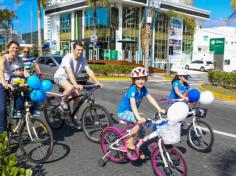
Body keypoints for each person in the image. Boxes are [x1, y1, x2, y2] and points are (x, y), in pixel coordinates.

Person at [117, 67, 165, 159]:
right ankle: (129, 143)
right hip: (123, 112)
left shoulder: (143, 89)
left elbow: (150, 98)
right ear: (134, 80)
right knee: (140, 122)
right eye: (138, 79)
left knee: (142, 132)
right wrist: (138, 117)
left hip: (132, 113)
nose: (140, 81)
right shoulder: (132, 90)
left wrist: (159, 109)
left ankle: (135, 147)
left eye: (143, 78)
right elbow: (133, 104)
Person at [54, 41, 103, 113]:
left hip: (70, 80)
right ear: (73, 50)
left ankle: (74, 118)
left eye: (82, 50)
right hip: (60, 77)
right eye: (78, 50)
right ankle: (62, 103)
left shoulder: (82, 59)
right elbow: (69, 72)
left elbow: (88, 70)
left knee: (77, 99)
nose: (80, 52)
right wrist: (76, 85)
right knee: (70, 87)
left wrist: (97, 82)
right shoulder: (67, 58)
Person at [0, 40, 30, 133]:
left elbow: (25, 72)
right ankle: (3, 134)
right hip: (3, 83)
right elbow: (0, 71)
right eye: (13, 47)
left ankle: (19, 115)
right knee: (2, 110)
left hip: (15, 83)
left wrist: (31, 81)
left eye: (17, 48)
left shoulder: (19, 59)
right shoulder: (3, 58)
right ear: (8, 49)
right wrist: (5, 83)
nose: (15, 49)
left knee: (26, 98)